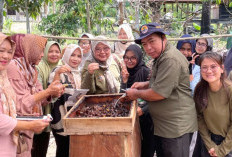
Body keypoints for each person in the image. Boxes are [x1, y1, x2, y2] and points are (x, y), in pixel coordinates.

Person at [126, 22, 198, 157]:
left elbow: (159, 93)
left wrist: (135, 93)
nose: (148, 47)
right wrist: (145, 84)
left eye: (151, 41)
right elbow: (166, 82)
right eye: (144, 44)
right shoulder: (161, 57)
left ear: (163, 38)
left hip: (175, 128)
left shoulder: (170, 59)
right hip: (164, 126)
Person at [7, 34, 64, 157]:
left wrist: (52, 92)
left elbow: (38, 97)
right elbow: (21, 103)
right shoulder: (13, 67)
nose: (42, 55)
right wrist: (48, 92)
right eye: (41, 51)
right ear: (29, 48)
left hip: (28, 127)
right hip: (17, 128)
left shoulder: (31, 68)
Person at [0, 33, 49, 157]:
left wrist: (31, 119)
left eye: (9, 51)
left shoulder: (27, 70)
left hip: (10, 142)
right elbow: (20, 104)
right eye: (1, 50)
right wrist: (29, 124)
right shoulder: (13, 68)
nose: (5, 56)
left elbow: (11, 110)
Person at [193, 52, 232, 157]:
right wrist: (210, 145)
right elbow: (199, 118)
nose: (209, 71)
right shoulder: (200, 89)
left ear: (222, 68)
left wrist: (221, 151)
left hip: (229, 143)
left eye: (213, 66)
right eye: (204, 67)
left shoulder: (230, 90)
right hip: (208, 141)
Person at [48, 44, 82, 157]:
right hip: (61, 119)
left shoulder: (79, 73)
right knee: (63, 149)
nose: (75, 59)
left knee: (73, 150)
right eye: (72, 55)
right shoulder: (58, 71)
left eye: (78, 56)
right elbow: (51, 94)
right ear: (66, 55)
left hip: (74, 119)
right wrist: (58, 75)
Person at [120, 44, 154, 157]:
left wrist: (144, 109)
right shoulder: (125, 72)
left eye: (133, 58)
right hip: (130, 119)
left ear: (139, 57)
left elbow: (155, 96)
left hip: (146, 119)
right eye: (126, 57)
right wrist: (124, 81)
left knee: (146, 149)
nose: (129, 61)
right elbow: (122, 97)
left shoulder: (145, 72)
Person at [32, 41, 62, 157]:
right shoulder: (39, 67)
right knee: (38, 144)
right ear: (44, 52)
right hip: (40, 111)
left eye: (57, 52)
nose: (54, 54)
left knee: (45, 144)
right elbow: (38, 92)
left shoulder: (61, 65)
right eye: (50, 51)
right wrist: (51, 91)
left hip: (54, 112)